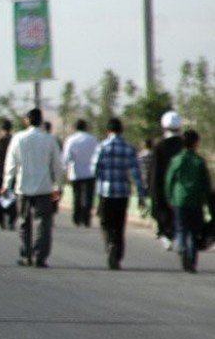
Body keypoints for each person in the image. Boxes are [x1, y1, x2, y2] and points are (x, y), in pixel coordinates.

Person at [3, 108, 63, 268]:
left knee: (24, 222)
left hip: (23, 187)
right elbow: (57, 165)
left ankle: (26, 254)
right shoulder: (49, 139)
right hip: (44, 188)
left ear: (27, 120)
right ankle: (39, 256)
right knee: (43, 222)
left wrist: (6, 184)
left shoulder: (18, 138)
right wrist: (59, 185)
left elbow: (11, 164)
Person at [91, 118, 146, 270]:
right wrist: (141, 196)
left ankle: (110, 245)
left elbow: (93, 169)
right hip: (122, 193)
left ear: (108, 131)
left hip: (105, 192)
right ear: (121, 131)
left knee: (105, 223)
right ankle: (117, 253)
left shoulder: (102, 147)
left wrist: (101, 179)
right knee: (119, 224)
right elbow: (136, 174)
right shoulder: (129, 148)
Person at [165, 130, 213, 273]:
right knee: (193, 231)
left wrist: (169, 197)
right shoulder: (199, 161)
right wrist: (208, 200)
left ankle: (181, 248)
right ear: (195, 143)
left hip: (179, 199)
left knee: (181, 228)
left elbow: (169, 180)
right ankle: (191, 257)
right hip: (196, 200)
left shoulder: (176, 160)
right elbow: (206, 184)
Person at [149, 110, 184, 250]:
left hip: (162, 189)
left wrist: (151, 189)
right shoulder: (184, 145)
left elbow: (155, 172)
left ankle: (167, 235)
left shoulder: (159, 146)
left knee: (163, 213)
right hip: (180, 189)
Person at [62, 119, 99, 227]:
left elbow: (67, 157)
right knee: (89, 196)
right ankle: (87, 218)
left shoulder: (71, 140)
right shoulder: (93, 139)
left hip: (76, 172)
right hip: (90, 172)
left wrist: (64, 168)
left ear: (75, 128)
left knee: (77, 195)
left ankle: (77, 217)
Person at [0, 119, 16, 229]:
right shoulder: (13, 140)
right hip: (12, 173)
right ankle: (11, 219)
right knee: (11, 198)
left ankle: (1, 219)